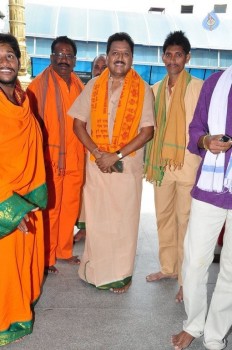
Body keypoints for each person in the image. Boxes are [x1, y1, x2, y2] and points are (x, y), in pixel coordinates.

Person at [68, 32, 154, 293]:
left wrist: (115, 155)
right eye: (115, 53)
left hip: (126, 167)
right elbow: (78, 124)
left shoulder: (144, 89)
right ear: (108, 56)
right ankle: (94, 271)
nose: (120, 58)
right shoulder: (94, 85)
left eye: (126, 54)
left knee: (124, 223)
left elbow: (147, 131)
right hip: (97, 166)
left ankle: (121, 276)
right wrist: (96, 152)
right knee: (98, 221)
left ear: (132, 58)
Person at [172, 66, 232, 350]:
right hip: (210, 186)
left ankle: (215, 332)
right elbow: (196, 127)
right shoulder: (216, 82)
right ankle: (193, 323)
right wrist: (205, 141)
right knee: (195, 261)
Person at [144, 31, 203, 302]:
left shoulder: (199, 88)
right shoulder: (154, 90)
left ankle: (185, 278)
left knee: (186, 222)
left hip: (188, 165)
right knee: (163, 218)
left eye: (178, 54)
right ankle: (169, 268)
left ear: (187, 58)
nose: (173, 59)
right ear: (163, 56)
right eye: (168, 54)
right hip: (161, 167)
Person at [0, 33, 47, 346]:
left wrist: (28, 202)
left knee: (21, 262)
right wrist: (13, 207)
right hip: (5, 198)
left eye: (10, 56)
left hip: (27, 194)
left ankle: (18, 310)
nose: (5, 63)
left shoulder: (23, 101)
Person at [27, 36, 85, 274]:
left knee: (70, 206)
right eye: (59, 55)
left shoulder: (80, 86)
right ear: (51, 57)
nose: (63, 59)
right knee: (50, 209)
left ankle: (64, 250)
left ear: (74, 60)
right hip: (50, 159)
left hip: (75, 157)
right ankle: (47, 257)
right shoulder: (37, 87)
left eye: (68, 55)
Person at [74, 53, 107, 243]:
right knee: (84, 192)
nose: (100, 71)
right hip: (84, 150)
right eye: (97, 67)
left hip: (106, 153)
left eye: (104, 68)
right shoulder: (86, 91)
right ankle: (84, 229)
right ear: (92, 70)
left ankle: (99, 229)